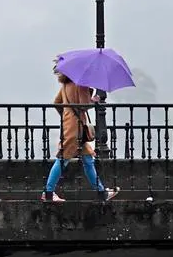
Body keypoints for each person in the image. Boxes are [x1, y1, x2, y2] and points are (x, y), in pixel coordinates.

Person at [41, 65, 120, 202]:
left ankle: (101, 193)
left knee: (88, 160)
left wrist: (67, 114)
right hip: (76, 129)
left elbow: (57, 103)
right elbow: (84, 105)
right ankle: (48, 193)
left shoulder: (67, 84)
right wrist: (93, 100)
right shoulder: (82, 84)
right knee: (62, 159)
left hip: (70, 126)